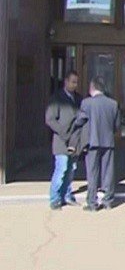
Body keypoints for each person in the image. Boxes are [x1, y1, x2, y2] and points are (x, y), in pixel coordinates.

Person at [71, 77, 120, 211]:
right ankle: (108, 201)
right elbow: (117, 125)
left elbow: (80, 120)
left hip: (92, 142)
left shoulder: (86, 103)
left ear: (91, 88)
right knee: (108, 172)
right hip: (108, 142)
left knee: (92, 172)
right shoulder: (113, 104)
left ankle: (92, 202)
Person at [45, 70, 83, 210]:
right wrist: (63, 132)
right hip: (61, 140)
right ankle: (55, 198)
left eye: (76, 82)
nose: (75, 85)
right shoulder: (57, 98)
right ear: (66, 81)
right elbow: (50, 119)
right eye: (72, 82)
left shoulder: (79, 98)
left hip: (75, 140)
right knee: (61, 169)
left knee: (71, 169)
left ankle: (67, 195)